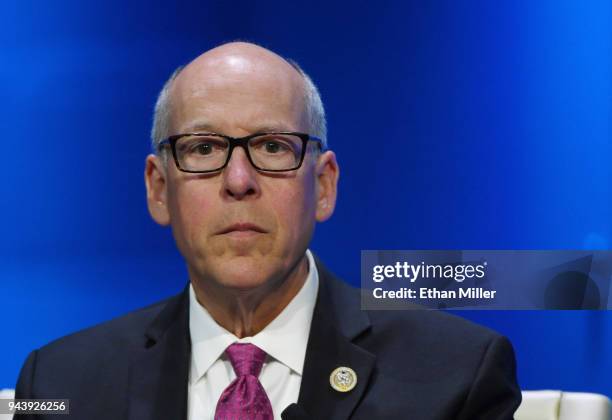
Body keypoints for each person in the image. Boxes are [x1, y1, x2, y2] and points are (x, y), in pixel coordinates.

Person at [14, 42, 521, 420]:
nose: (239, 181)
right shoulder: (59, 386)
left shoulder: (458, 376)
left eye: (274, 147)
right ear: (158, 190)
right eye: (205, 148)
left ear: (323, 186)